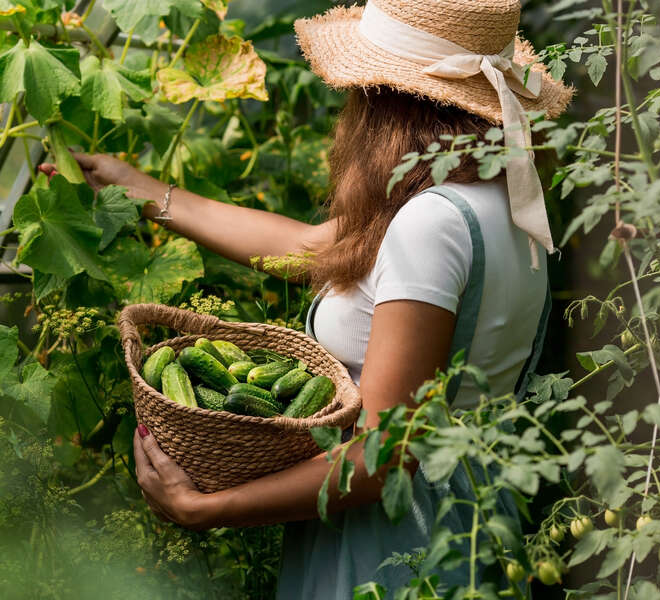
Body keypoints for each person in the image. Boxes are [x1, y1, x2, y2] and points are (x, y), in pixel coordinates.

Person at [73, 0, 572, 597]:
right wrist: (137, 187)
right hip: (467, 515)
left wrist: (209, 507)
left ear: (384, 100)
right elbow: (310, 245)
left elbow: (383, 454)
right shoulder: (500, 199)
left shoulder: (429, 225)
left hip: (388, 537)